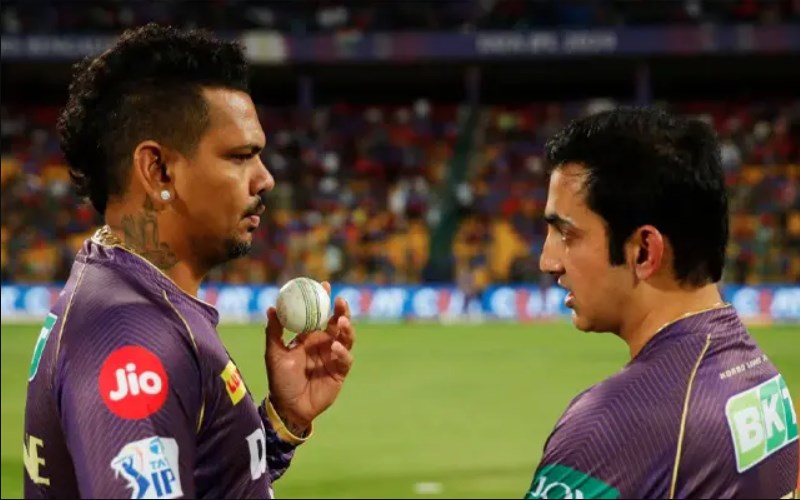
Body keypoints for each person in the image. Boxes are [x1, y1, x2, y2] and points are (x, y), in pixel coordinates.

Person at [23, 24, 355, 499]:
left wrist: (282, 423)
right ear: (158, 170)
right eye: (240, 156)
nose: (265, 179)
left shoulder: (131, 294)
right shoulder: (132, 340)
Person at [527, 108, 798, 499]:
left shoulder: (612, 427)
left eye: (567, 235)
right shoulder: (762, 379)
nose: (548, 261)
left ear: (643, 251)